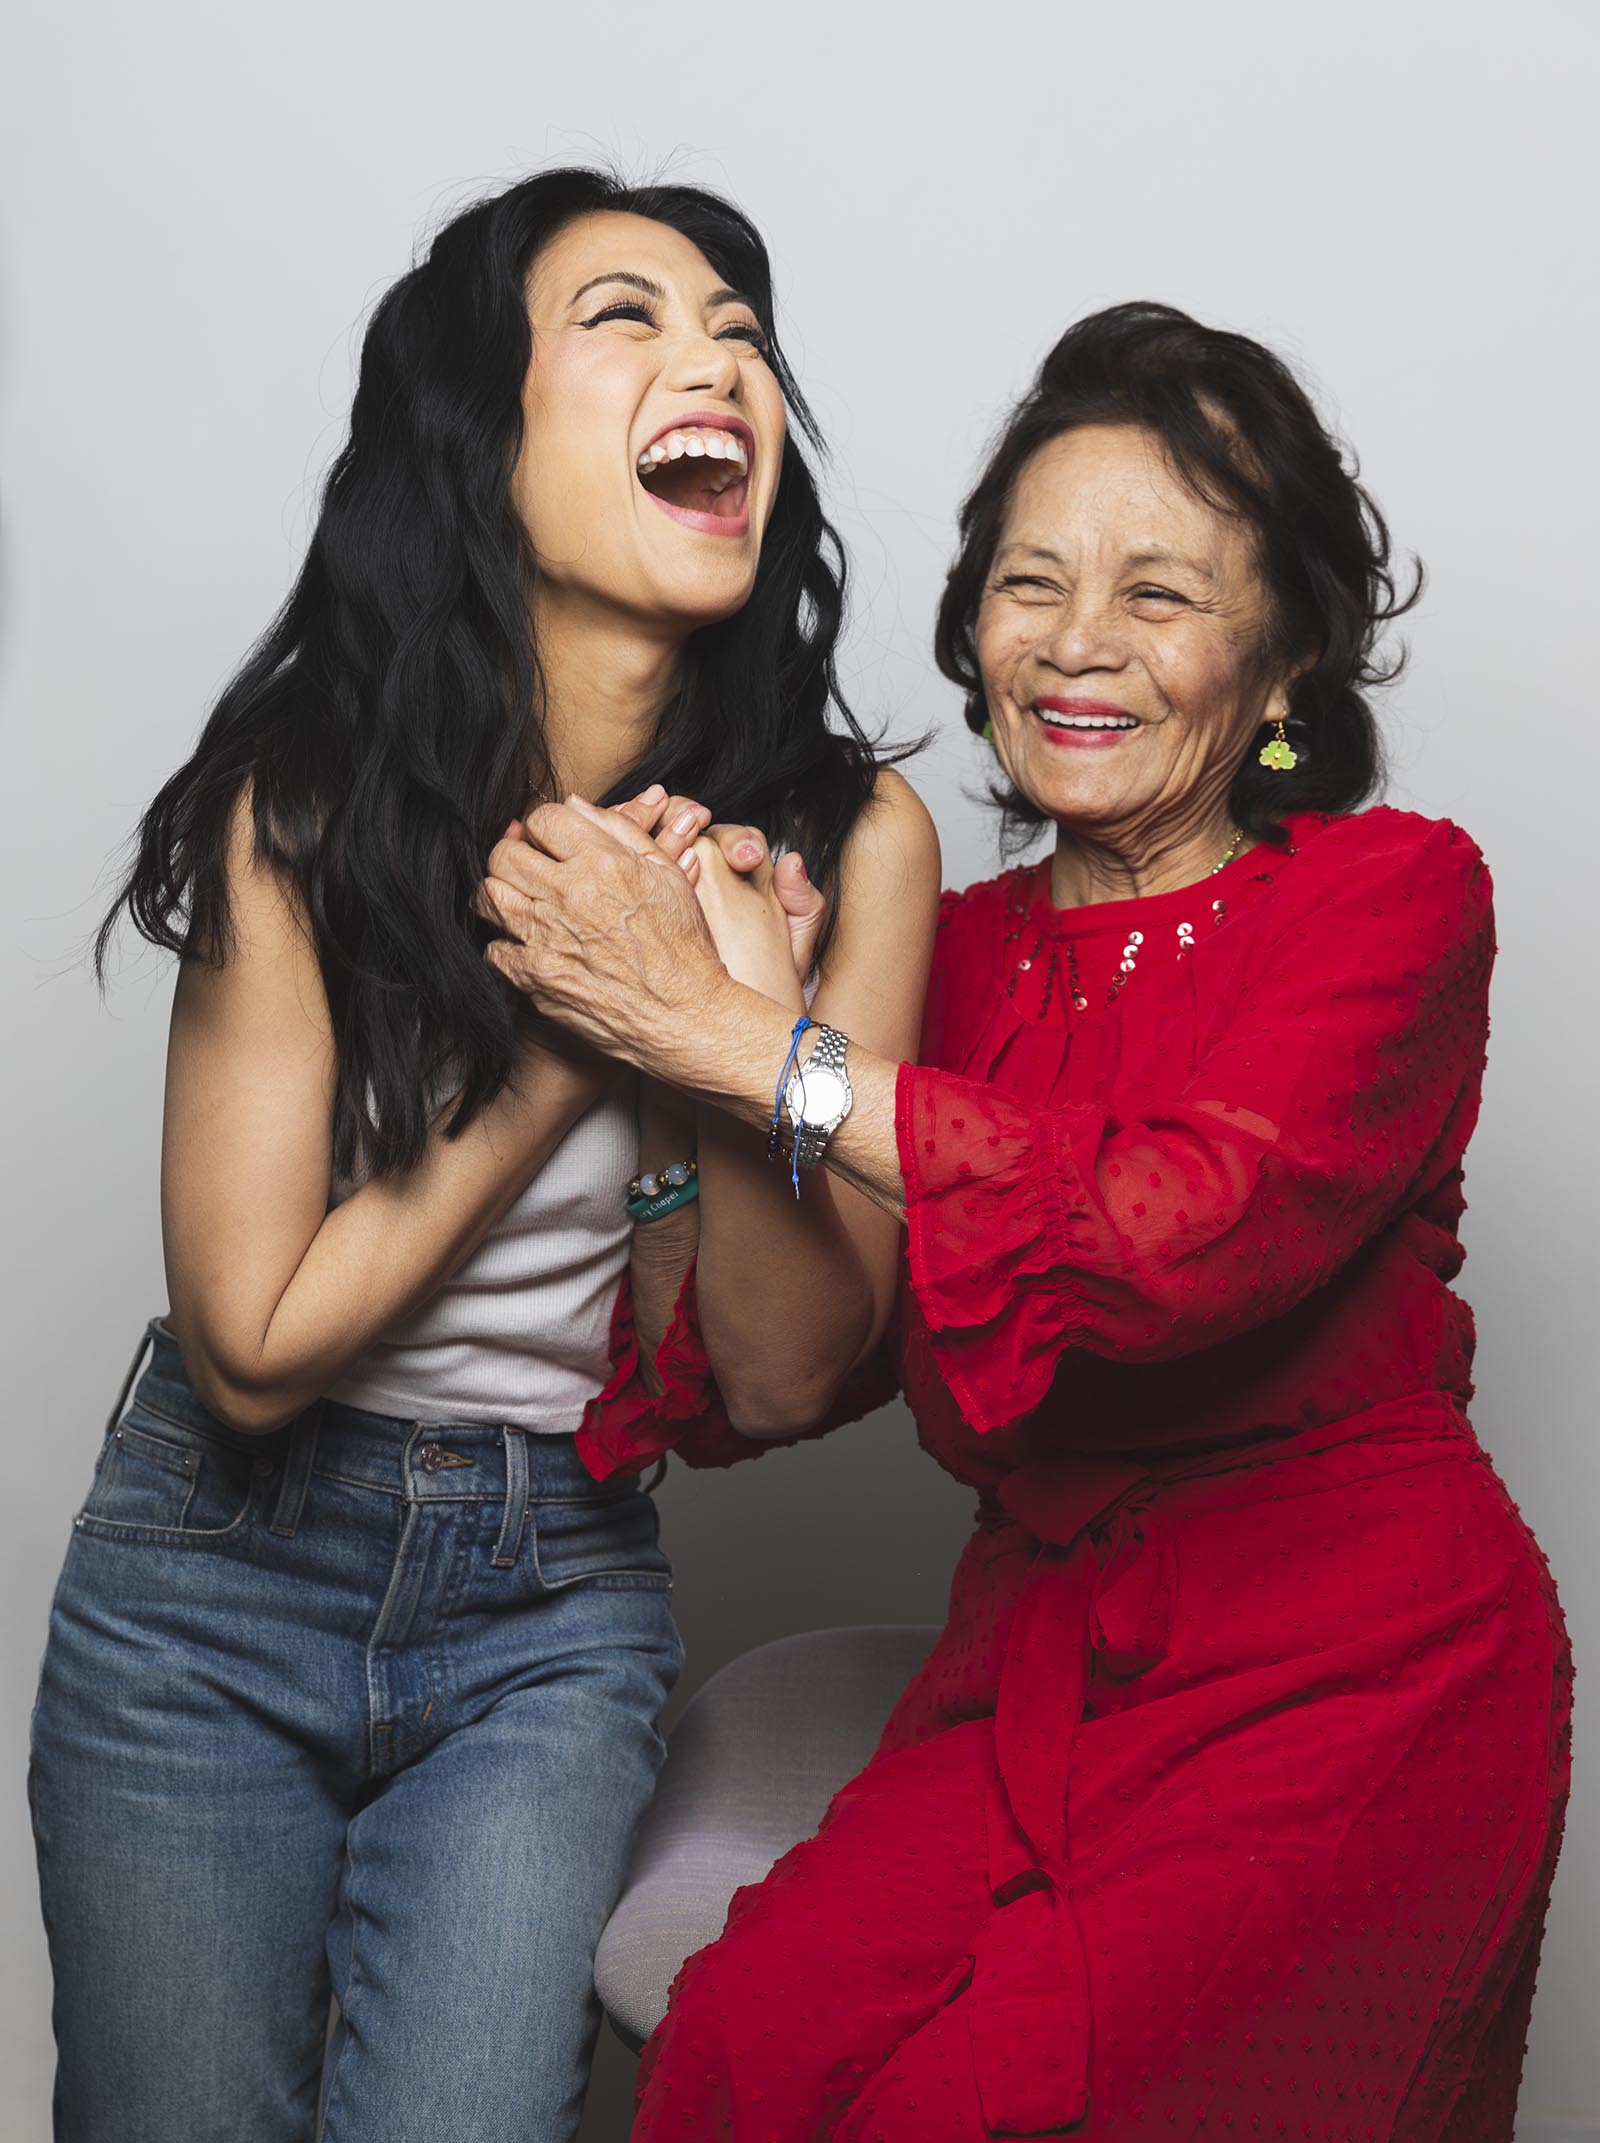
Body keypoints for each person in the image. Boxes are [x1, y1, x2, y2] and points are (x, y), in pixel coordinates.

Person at [474, 303, 1572, 2141]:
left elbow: (1168, 1233)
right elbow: (773, 1380)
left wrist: (744, 1043)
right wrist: (694, 1076)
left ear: (1284, 662)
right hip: (1037, 1679)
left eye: (1160, 594)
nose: (1076, 643)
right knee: (738, 2053)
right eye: (1029, 582)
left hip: (1357, 1686)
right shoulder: (947, 953)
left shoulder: (1391, 897)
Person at [28, 167, 937, 2143]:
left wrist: (723, 1045)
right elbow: (252, 1346)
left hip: (550, 1600)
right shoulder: (307, 808)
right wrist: (574, 1033)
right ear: (477, 434)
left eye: (740, 331)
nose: (715, 358)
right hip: (214, 1575)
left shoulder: (849, 844)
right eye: (626, 316)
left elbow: (783, 1377)